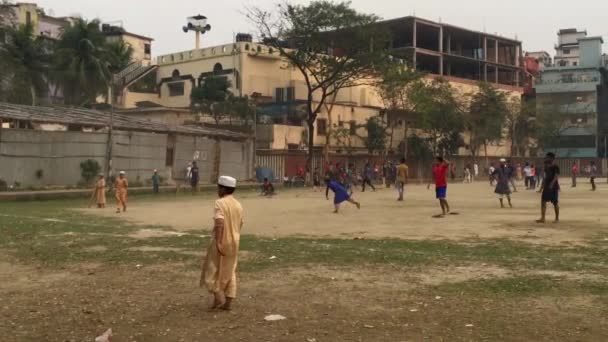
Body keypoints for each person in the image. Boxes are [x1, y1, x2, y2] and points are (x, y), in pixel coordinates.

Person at [200, 176, 244, 311]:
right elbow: (241, 223)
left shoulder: (220, 203)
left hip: (222, 240)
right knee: (230, 269)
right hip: (235, 240)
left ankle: (217, 295)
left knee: (211, 268)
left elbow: (219, 222)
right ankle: (228, 302)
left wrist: (218, 241)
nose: (218, 190)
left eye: (219, 187)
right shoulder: (238, 204)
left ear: (223, 188)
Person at [537, 152, 560, 223]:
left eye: (547, 157)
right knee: (543, 201)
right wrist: (541, 187)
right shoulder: (546, 166)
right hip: (547, 185)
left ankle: (556, 218)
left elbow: (556, 176)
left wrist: (552, 184)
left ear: (551, 158)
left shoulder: (555, 166)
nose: (546, 158)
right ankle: (543, 218)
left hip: (553, 186)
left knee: (555, 202)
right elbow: (545, 177)